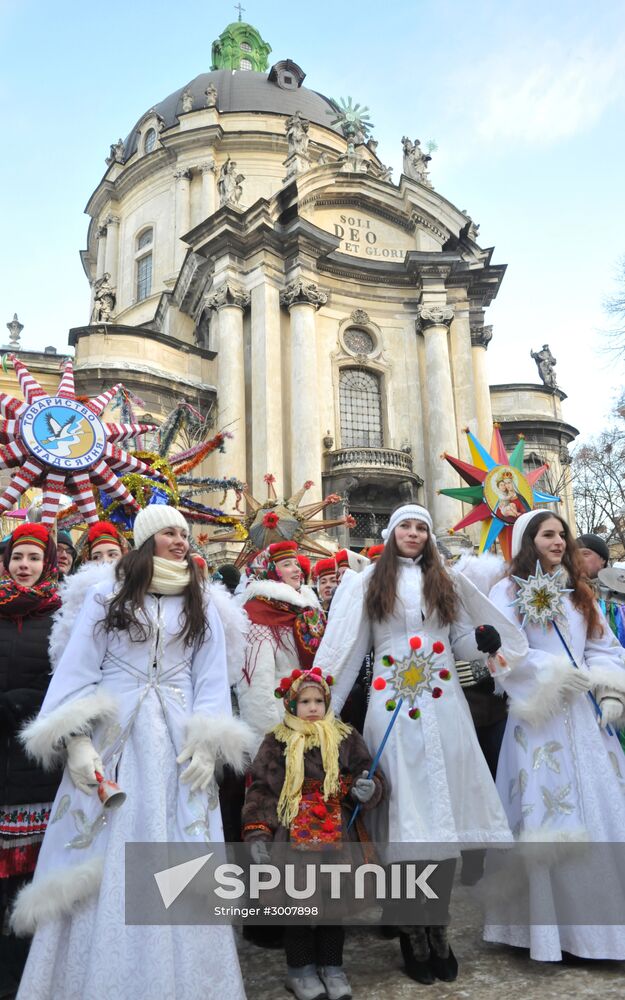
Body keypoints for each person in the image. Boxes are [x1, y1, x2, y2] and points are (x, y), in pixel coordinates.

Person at [13, 504, 252, 1000]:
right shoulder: (106, 594)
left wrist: (209, 742)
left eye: (185, 533)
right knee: (107, 846)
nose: (182, 540)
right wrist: (75, 741)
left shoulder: (201, 601)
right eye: (170, 532)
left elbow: (210, 679)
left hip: (179, 743)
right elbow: (77, 670)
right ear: (146, 541)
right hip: (117, 739)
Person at [314, 503, 528, 983]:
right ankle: (413, 929)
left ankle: (440, 928)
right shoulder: (368, 581)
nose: (414, 533)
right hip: (392, 706)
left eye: (422, 527)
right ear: (391, 533)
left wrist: (486, 640)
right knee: (409, 815)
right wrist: (319, 710)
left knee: (443, 817)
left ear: (430, 536)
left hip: (445, 704)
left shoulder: (446, 581)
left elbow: (462, 641)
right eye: (406, 525)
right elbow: (347, 648)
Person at [484, 509, 625, 961]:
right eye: (548, 534)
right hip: (538, 722)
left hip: (585, 720)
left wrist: (609, 690)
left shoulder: (580, 590)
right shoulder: (507, 591)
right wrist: (558, 674)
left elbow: (604, 646)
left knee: (601, 809)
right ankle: (543, 934)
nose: (560, 541)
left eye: (563, 534)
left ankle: (602, 931)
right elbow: (505, 651)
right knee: (545, 813)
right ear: (529, 541)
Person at [242, 666, 385, 1000]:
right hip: (291, 839)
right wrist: (257, 834)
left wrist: (367, 788)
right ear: (291, 703)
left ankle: (332, 967)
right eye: (304, 700)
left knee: (333, 909)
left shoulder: (345, 737)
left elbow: (367, 772)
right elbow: (261, 792)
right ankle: (301, 971)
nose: (312, 707)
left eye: (318, 700)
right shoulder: (276, 741)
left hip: (338, 837)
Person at [0, 524, 62, 996]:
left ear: (48, 564)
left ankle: (28, 975)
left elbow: (73, 679)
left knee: (30, 881)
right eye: (18, 556)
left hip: (37, 761)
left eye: (34, 558)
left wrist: (29, 702)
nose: (25, 565)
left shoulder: (59, 616)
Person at [236, 540, 326, 752]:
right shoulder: (258, 613)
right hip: (282, 719)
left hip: (314, 714)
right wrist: (271, 743)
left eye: (296, 563)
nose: (297, 570)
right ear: (269, 571)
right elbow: (256, 687)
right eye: (287, 564)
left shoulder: (306, 611)